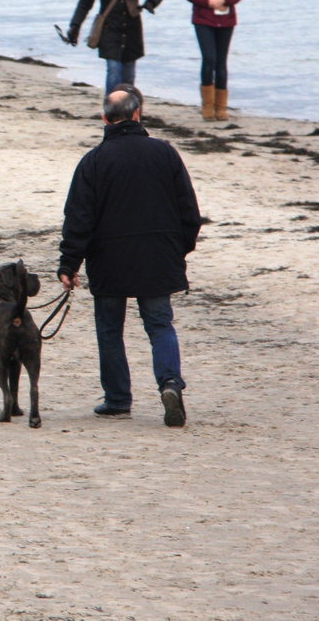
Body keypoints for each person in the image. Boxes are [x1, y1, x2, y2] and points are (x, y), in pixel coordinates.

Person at [57, 85, 200, 428]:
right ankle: (169, 384)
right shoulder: (164, 153)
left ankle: (118, 399)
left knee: (110, 330)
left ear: (104, 119)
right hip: (157, 255)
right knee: (159, 325)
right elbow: (189, 213)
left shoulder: (93, 161)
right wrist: (178, 249)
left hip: (110, 260)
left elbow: (79, 219)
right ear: (138, 114)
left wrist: (69, 263)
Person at [65, 0, 163, 103]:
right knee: (114, 70)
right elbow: (85, 2)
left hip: (132, 31)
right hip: (109, 30)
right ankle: (111, 109)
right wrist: (75, 25)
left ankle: (128, 111)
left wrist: (150, 3)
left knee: (128, 76)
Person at [183, 0, 245, 122]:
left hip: (226, 18)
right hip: (203, 18)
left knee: (221, 62)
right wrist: (207, 0)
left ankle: (221, 108)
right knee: (209, 59)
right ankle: (207, 106)